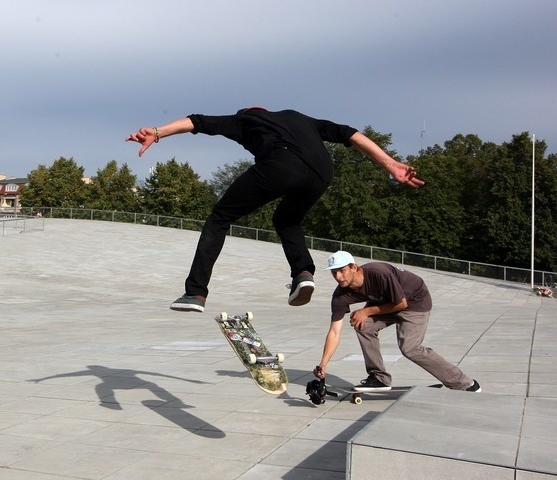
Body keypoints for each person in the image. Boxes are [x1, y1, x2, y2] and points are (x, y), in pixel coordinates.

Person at [126, 107, 424, 313]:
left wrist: (156, 131)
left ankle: (195, 292)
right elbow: (350, 134)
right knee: (287, 219)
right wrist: (391, 164)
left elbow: (196, 122)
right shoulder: (298, 118)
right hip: (322, 171)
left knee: (220, 218)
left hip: (281, 165)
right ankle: (302, 273)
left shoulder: (243, 121)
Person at [313, 250, 481, 392]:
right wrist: (323, 363)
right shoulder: (340, 296)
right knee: (363, 325)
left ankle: (465, 384)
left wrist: (366, 310)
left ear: (354, 267)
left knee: (410, 348)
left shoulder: (378, 272)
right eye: (334, 272)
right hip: (385, 302)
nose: (338, 276)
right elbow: (334, 331)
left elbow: (401, 304)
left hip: (414, 301)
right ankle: (379, 378)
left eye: (342, 271)